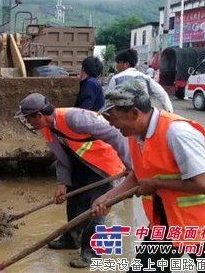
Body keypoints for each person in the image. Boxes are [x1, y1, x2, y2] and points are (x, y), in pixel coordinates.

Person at [92, 80, 205, 272]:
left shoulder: (177, 133)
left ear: (134, 113)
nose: (110, 122)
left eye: (112, 116)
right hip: (169, 219)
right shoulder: (135, 135)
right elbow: (138, 175)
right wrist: (109, 198)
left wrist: (156, 184)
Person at [14, 93, 132, 268]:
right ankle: (72, 238)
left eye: (28, 119)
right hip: (81, 165)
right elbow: (62, 157)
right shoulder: (48, 129)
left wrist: (130, 166)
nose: (28, 123)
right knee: (74, 202)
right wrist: (62, 183)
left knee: (97, 207)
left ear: (39, 116)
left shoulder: (75, 118)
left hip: (104, 165)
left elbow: (117, 135)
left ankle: (91, 252)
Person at [108, 49, 173, 113]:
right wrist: (169, 111)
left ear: (126, 64)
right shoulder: (147, 78)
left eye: (118, 63)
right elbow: (162, 94)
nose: (117, 66)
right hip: (143, 118)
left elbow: (109, 102)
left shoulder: (115, 79)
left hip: (123, 117)